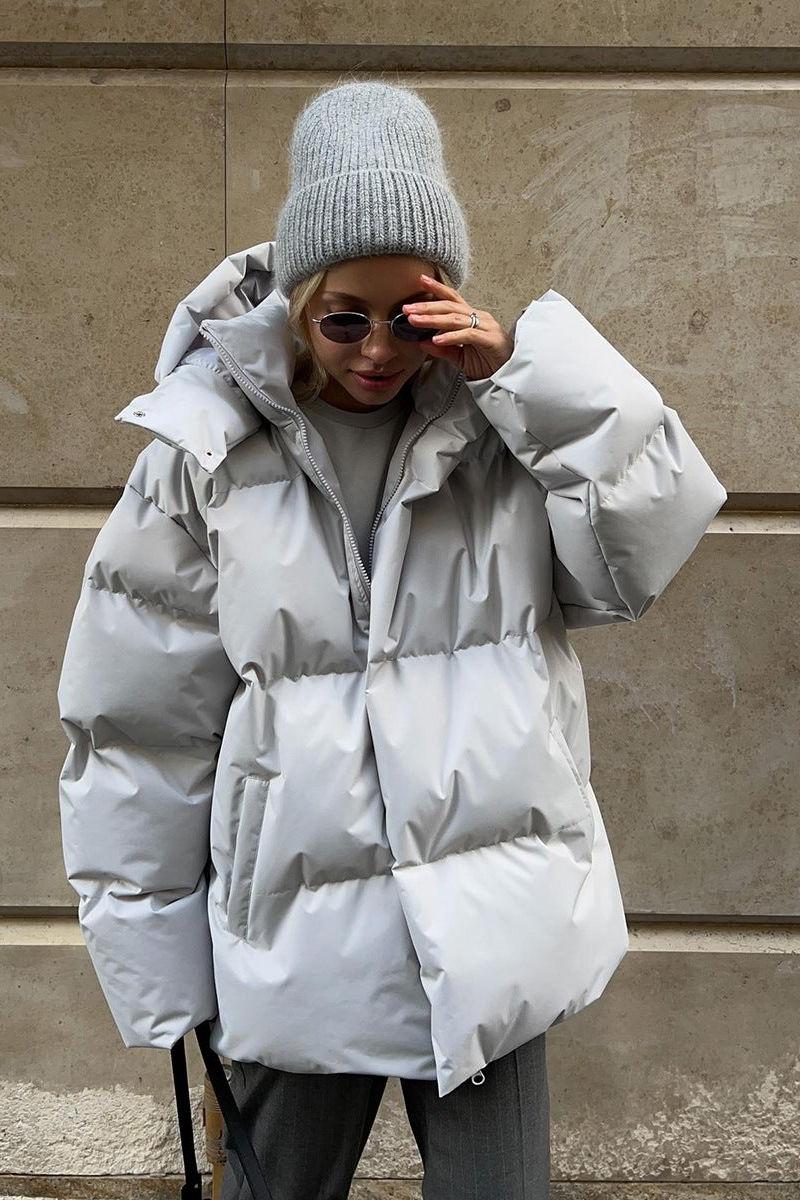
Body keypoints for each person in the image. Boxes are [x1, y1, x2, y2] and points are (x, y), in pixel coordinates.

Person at [57, 80, 728, 1199]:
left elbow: (639, 554)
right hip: (297, 930)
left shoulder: (501, 426)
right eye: (344, 317)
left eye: (407, 315)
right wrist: (156, 961)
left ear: (445, 301)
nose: (376, 349)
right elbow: (138, 726)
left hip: (489, 920)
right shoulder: (203, 454)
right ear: (298, 302)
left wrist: (532, 380)